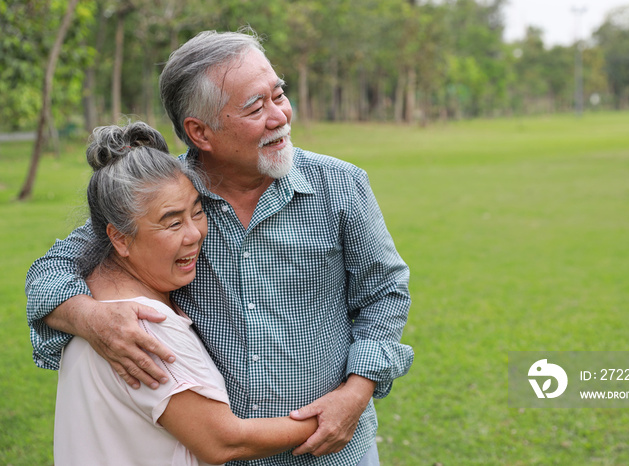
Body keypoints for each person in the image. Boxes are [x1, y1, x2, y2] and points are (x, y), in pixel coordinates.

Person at [27, 28, 413, 465]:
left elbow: (386, 293)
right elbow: (48, 272)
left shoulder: (341, 186)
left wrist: (356, 393)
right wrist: (90, 317)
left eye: (278, 95)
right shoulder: (162, 196)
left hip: (334, 451)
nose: (279, 116)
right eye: (255, 107)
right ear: (200, 131)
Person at [54, 121, 317, 465]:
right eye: (173, 222)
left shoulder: (92, 300)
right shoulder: (142, 329)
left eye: (197, 211)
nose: (194, 234)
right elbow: (223, 442)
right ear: (119, 238)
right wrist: (327, 419)